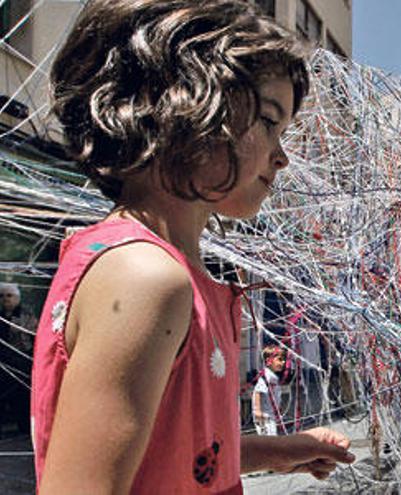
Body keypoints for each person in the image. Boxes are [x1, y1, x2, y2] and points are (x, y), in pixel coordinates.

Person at [30, 1, 355, 493]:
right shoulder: (145, 278)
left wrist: (277, 452)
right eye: (269, 121)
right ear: (187, 107)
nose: (282, 156)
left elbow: (169, 455)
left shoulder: (161, 269)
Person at [0, 282, 34, 436]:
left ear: (17, 298)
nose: (5, 299)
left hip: (21, 360)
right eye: (1, 296)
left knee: (22, 395)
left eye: (9, 296)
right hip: (4, 362)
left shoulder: (27, 316)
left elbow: (31, 337)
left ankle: (25, 427)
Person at [252, 346, 287, 436]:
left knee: (272, 435)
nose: (283, 362)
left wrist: (279, 409)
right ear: (269, 361)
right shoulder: (266, 376)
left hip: (271, 413)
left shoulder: (272, 376)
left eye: (284, 360)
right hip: (264, 415)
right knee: (268, 437)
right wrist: (257, 410)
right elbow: (258, 391)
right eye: (280, 359)